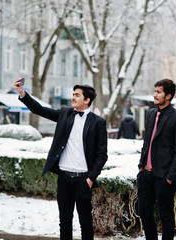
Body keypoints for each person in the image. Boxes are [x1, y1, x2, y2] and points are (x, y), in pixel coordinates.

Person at [13, 78, 108, 240]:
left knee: (86, 223)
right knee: (64, 222)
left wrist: (91, 178)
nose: (73, 97)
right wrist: (22, 94)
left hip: (83, 180)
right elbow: (40, 110)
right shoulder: (65, 113)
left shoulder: (98, 122)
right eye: (73, 94)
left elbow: (102, 154)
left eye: (77, 95)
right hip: (64, 178)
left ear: (87, 100)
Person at [137, 79, 176, 240]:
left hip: (164, 176)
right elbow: (147, 142)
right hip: (146, 173)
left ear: (168, 95)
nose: (155, 95)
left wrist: (171, 177)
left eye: (159, 92)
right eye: (155, 91)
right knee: (144, 211)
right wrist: (141, 165)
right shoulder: (151, 113)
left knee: (166, 214)